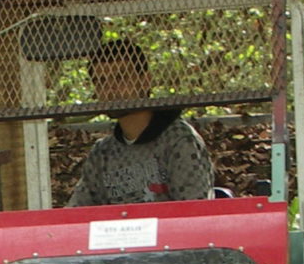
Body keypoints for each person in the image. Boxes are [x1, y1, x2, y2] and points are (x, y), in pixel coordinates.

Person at [64, 38, 214, 206]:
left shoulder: (179, 141)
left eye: (120, 78)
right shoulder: (102, 153)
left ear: (145, 81)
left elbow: (194, 212)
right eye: (101, 81)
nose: (110, 89)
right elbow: (77, 212)